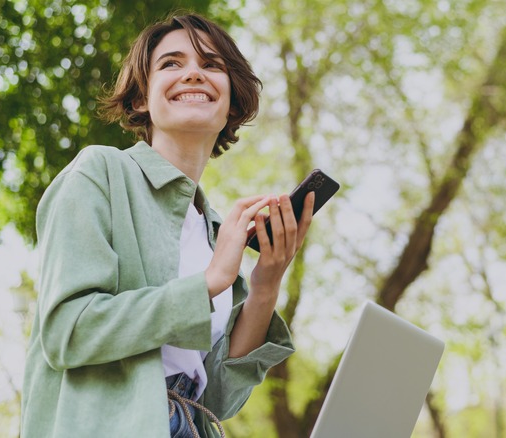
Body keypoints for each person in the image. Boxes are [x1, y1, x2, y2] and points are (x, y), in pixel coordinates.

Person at [20, 12, 314, 438]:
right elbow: (69, 331)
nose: (193, 73)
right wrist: (209, 283)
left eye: (211, 65)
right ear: (141, 98)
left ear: (231, 101)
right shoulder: (98, 174)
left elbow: (216, 401)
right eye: (171, 64)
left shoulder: (216, 231)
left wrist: (267, 281)